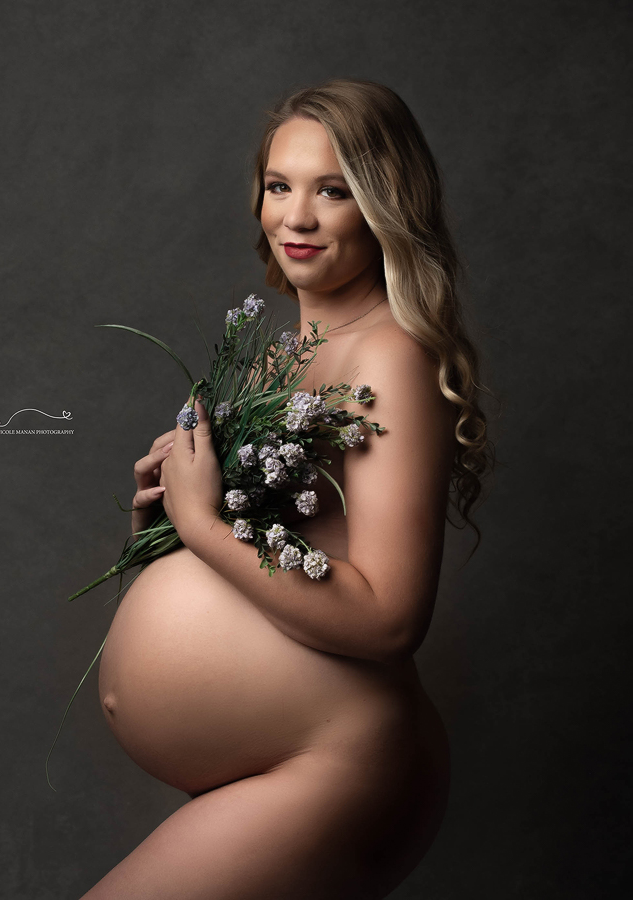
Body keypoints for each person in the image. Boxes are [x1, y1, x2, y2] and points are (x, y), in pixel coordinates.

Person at [83, 78, 492, 899]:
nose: (295, 218)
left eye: (332, 191)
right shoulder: (280, 358)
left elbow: (387, 618)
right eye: (279, 186)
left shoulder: (390, 359)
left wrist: (201, 529)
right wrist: (160, 531)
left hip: (336, 767)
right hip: (271, 760)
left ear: (384, 205)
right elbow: (268, 573)